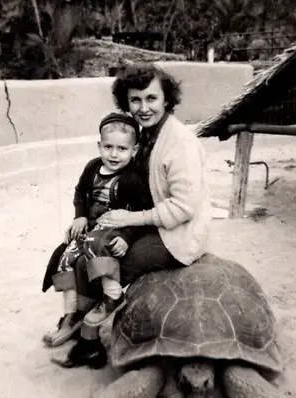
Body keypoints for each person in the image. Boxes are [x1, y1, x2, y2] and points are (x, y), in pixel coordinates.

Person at [51, 63, 213, 369]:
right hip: (150, 219)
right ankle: (77, 321)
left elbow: (183, 208)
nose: (143, 107)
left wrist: (128, 220)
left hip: (178, 233)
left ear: (167, 99)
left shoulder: (180, 144)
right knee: (73, 250)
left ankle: (89, 344)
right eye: (135, 100)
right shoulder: (148, 134)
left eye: (151, 98)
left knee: (101, 263)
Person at [42, 112, 153, 348]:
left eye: (122, 149)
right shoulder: (93, 167)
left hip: (114, 229)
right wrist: (79, 216)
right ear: (99, 146)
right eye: (108, 147)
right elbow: (80, 193)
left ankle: (113, 295)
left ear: (134, 151)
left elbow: (141, 214)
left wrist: (126, 237)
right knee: (65, 256)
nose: (114, 154)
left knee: (93, 243)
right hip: (91, 228)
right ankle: (71, 315)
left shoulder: (133, 179)